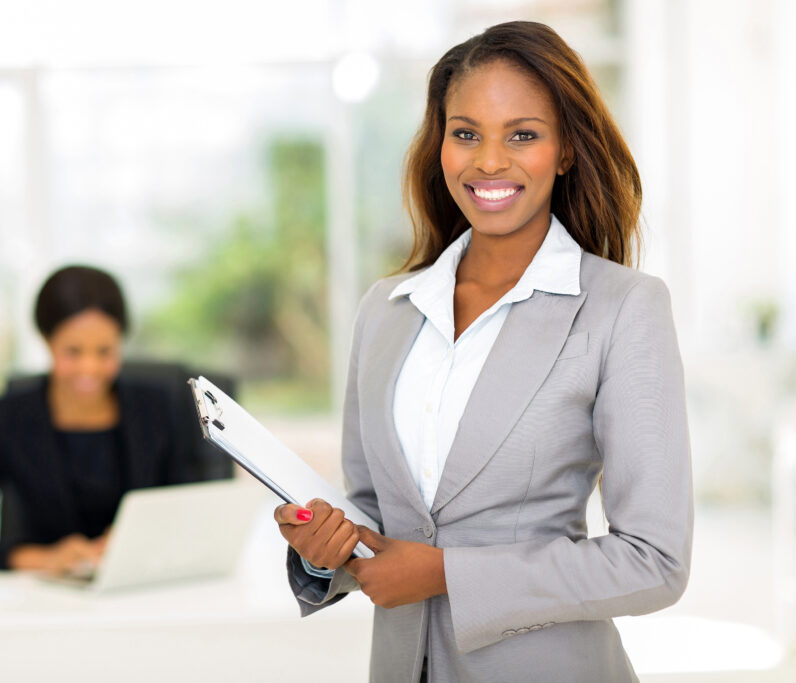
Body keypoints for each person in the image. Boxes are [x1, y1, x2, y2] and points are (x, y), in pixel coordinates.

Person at [274, 21, 692, 683]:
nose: (488, 161)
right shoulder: (385, 310)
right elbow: (375, 518)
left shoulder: (622, 307)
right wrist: (323, 553)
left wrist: (444, 572)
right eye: (465, 132)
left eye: (522, 134)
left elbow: (654, 562)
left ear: (565, 151)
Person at [0, 265, 195, 574]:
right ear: (46, 340)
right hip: (45, 601)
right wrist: (42, 559)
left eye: (105, 351)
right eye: (73, 351)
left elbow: (191, 514)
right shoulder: (7, 419)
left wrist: (138, 540)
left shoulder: (159, 408)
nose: (89, 368)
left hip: (143, 587)